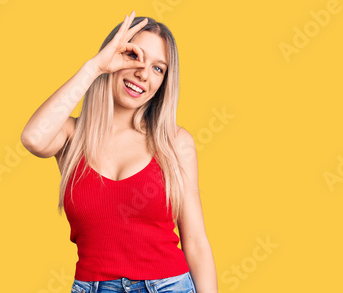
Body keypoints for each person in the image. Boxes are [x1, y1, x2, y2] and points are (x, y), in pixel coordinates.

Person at [20, 10, 218, 293]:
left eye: (158, 68)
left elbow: (196, 242)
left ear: (163, 83)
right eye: (134, 56)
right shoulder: (71, 136)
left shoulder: (175, 142)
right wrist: (95, 68)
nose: (143, 73)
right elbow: (32, 139)